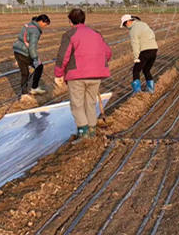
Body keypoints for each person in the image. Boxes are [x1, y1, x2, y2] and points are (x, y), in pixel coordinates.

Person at [54, 9, 112, 139]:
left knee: (77, 104)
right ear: (84, 19)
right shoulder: (96, 34)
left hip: (77, 76)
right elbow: (107, 52)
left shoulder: (70, 35)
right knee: (90, 103)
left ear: (70, 21)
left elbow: (63, 56)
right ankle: (92, 131)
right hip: (96, 76)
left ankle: (83, 133)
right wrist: (97, 64)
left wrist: (59, 74)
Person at [12, 14, 50, 96]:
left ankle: (24, 93)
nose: (45, 26)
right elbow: (32, 47)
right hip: (24, 52)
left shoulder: (28, 25)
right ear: (41, 21)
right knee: (39, 67)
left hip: (17, 50)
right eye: (45, 24)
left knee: (25, 72)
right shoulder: (35, 31)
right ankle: (34, 88)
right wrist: (35, 58)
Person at [120, 14, 158, 93]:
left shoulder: (133, 30)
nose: (125, 26)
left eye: (125, 24)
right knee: (146, 70)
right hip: (154, 49)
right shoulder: (143, 24)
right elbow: (152, 34)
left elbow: (135, 44)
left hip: (145, 51)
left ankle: (138, 93)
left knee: (136, 71)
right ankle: (151, 90)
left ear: (129, 21)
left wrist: (136, 57)